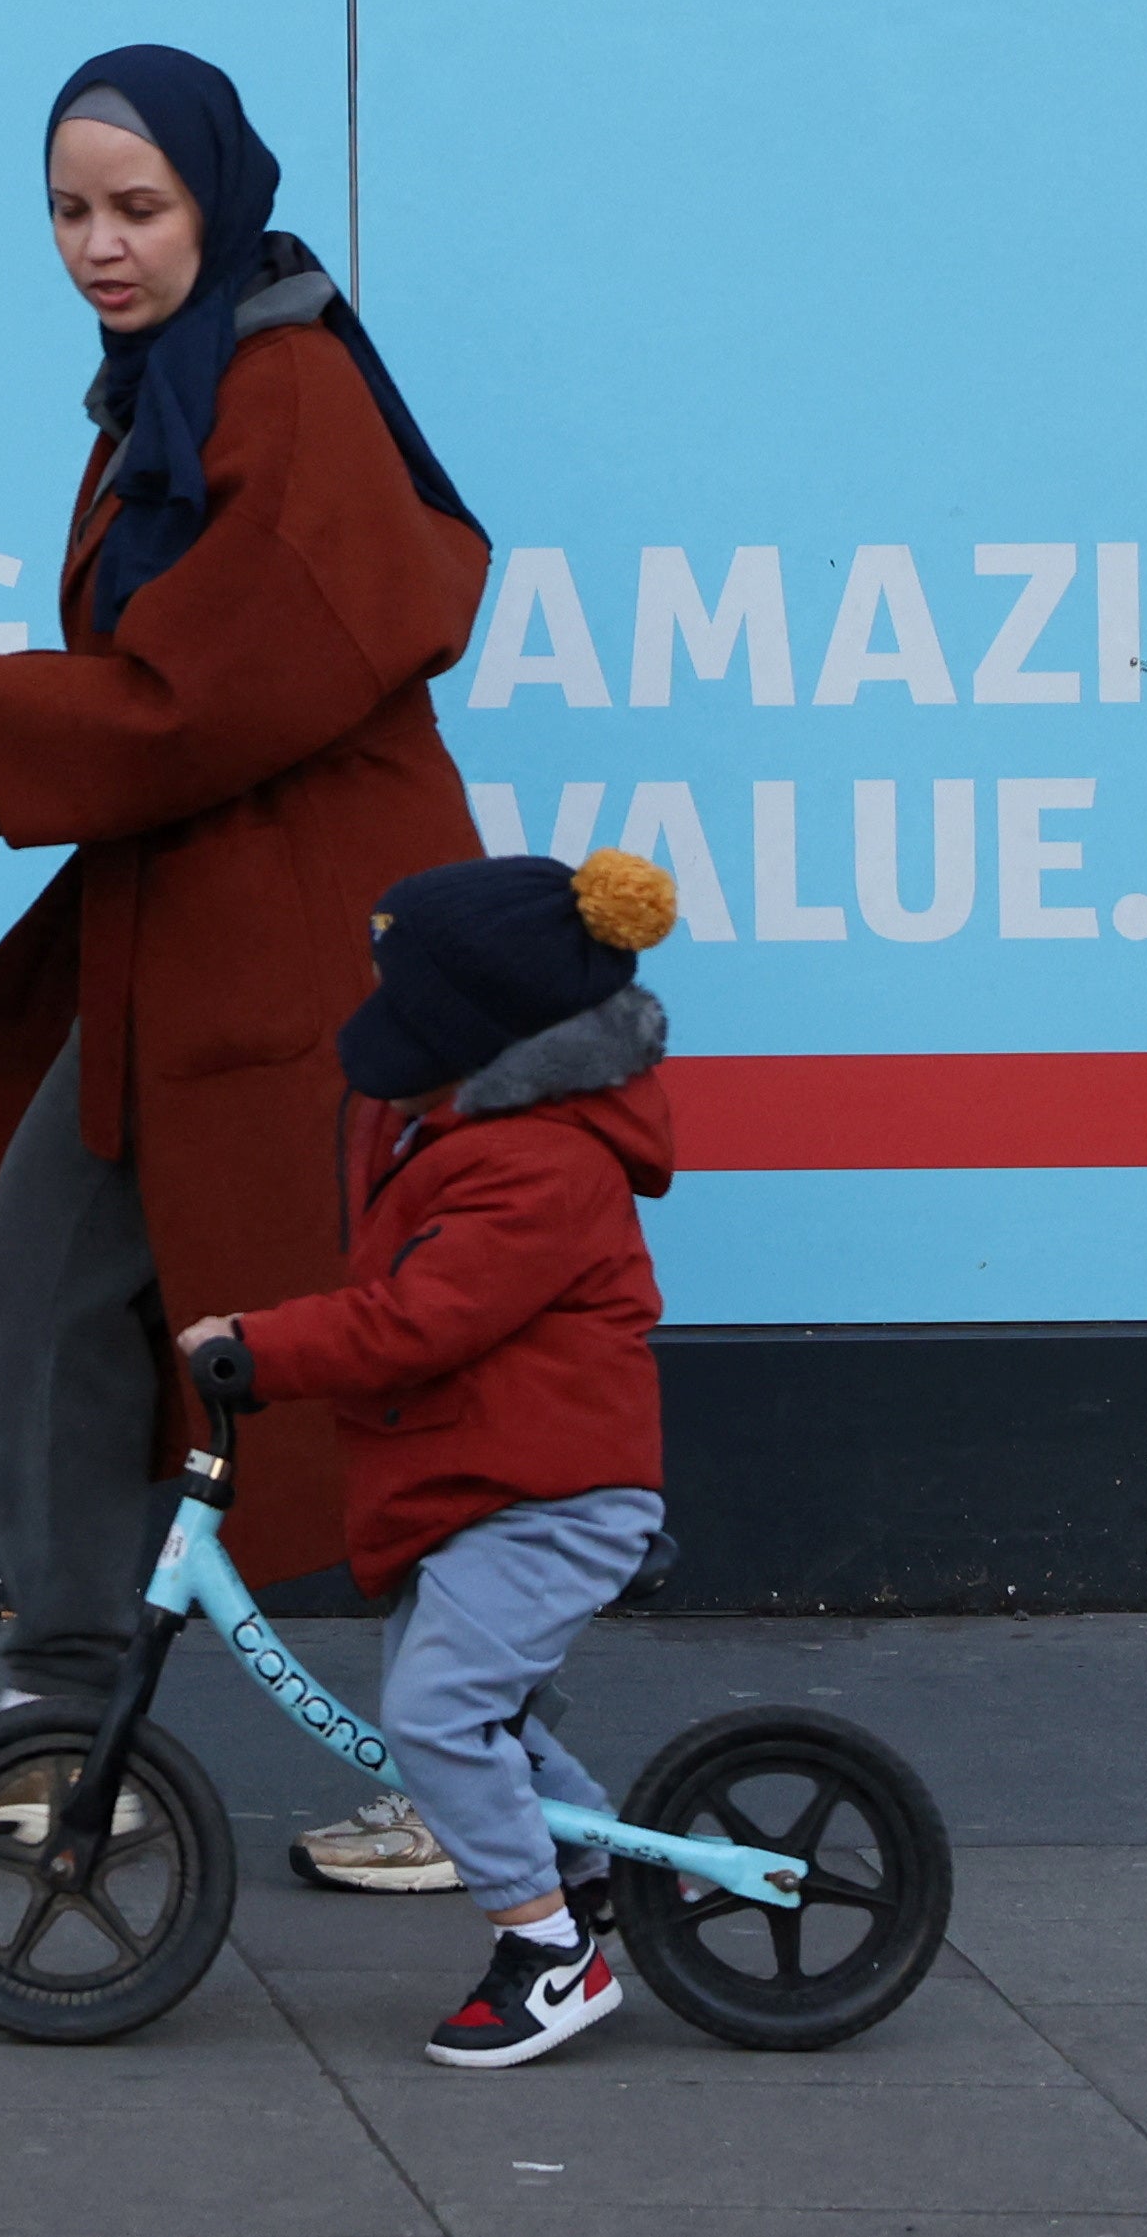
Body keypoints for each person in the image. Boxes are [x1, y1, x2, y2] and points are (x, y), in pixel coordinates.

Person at [0, 39, 489, 1848]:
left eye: (136, 208)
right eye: (66, 211)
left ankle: (477, 1779)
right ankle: (59, 1727)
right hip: (190, 941)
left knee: (371, 1344)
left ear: (215, 198)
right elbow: (173, 684)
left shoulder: (285, 393)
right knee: (41, 1286)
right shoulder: (168, 389)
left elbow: (214, 687)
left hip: (317, 956)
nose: (98, 246)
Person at [184, 849, 688, 2069]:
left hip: (553, 1496)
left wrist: (259, 1348)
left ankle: (546, 1952)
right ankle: (584, 1863)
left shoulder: (540, 1162)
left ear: (483, 1035)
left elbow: (421, 1317)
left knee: (435, 1706)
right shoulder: (457, 1121)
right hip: (494, 1479)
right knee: (472, 1703)